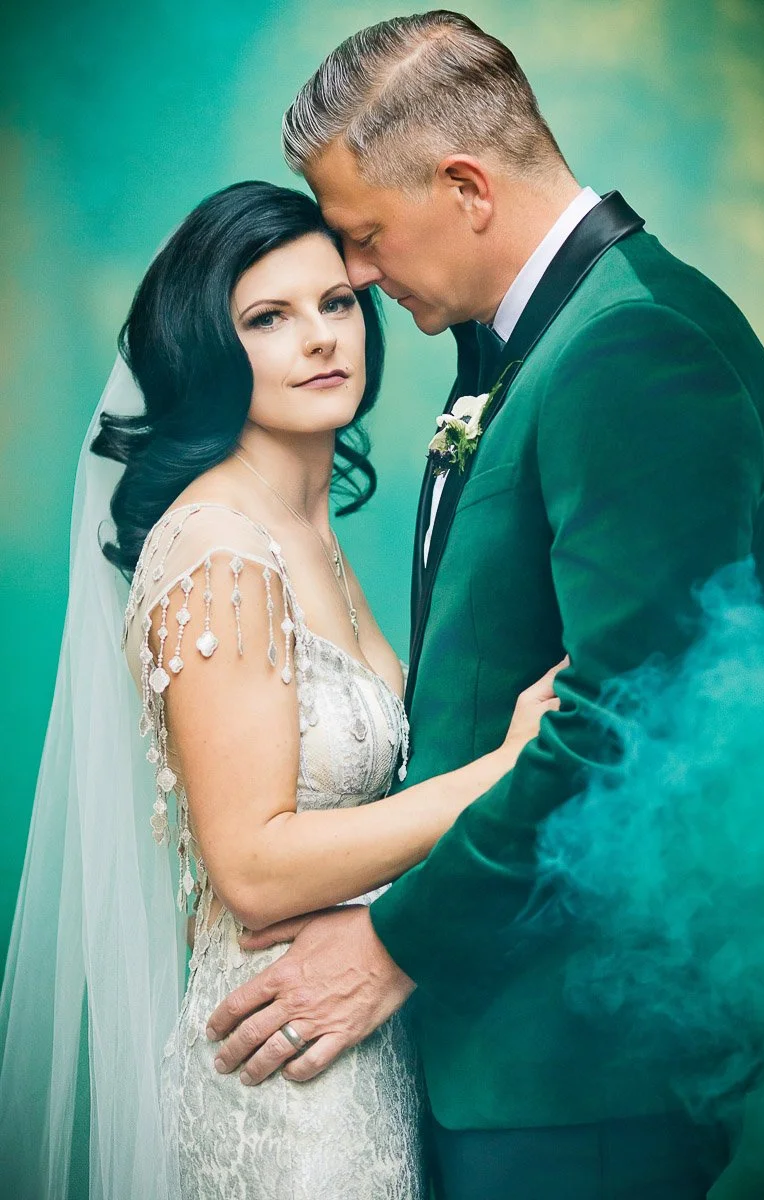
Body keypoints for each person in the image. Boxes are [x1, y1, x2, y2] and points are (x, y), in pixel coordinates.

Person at [206, 12, 764, 1199]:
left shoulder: (634, 348)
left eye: (365, 237)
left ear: (465, 184)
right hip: (509, 1064)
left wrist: (389, 944)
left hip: (578, 1076)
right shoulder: (548, 342)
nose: (356, 278)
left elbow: (627, 729)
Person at [0, 179, 560, 1199]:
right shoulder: (220, 546)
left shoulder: (307, 530)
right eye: (267, 318)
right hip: (285, 1074)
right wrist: (503, 771)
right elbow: (251, 863)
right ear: (204, 350)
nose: (318, 339)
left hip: (359, 1029)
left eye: (334, 304)